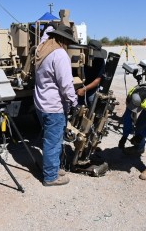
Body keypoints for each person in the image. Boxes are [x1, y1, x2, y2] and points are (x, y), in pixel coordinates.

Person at [34, 25, 78, 186]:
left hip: (41, 104)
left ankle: (51, 167)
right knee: (52, 142)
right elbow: (66, 85)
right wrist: (74, 102)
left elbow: (45, 35)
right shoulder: (59, 54)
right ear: (65, 40)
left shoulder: (42, 49)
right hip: (54, 107)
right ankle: (51, 176)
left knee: (51, 139)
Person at [76, 40, 107, 107]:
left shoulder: (100, 60)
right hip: (78, 85)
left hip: (91, 86)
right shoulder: (80, 56)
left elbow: (98, 79)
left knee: (92, 102)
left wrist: (84, 89)